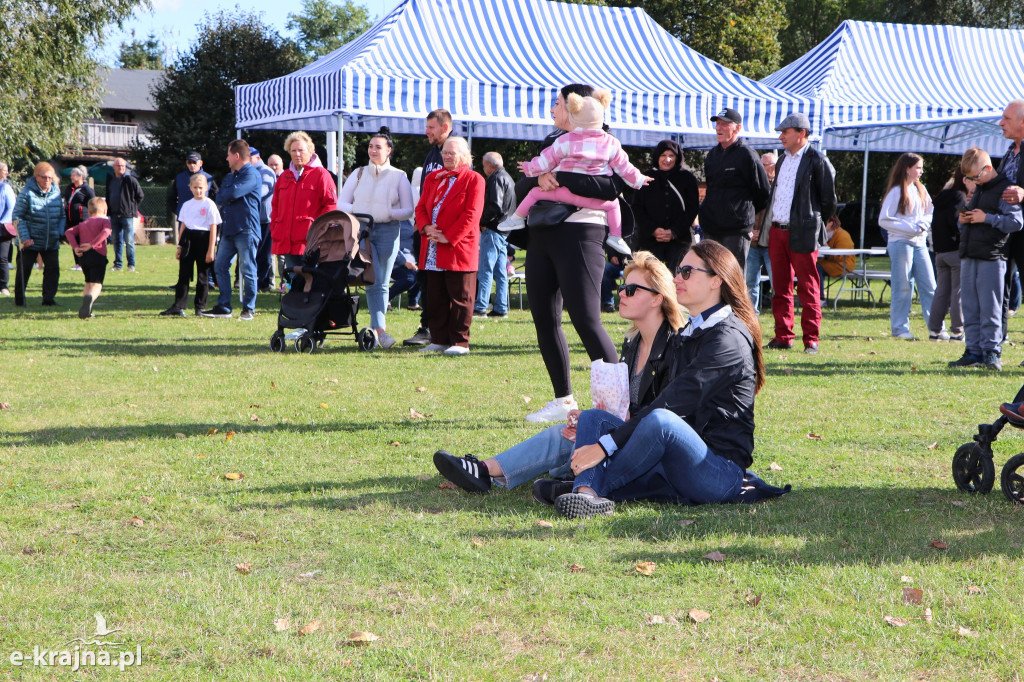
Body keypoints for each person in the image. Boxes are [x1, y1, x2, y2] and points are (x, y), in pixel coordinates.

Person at [551, 241, 787, 518]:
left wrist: (604, 446)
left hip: (718, 474)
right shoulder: (691, 331)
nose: (676, 278)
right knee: (594, 419)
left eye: (687, 272)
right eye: (678, 271)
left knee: (661, 421)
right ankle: (587, 495)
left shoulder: (728, 339)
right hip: (679, 459)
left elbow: (674, 403)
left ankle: (584, 485)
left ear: (716, 281)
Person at [432, 251, 684, 496]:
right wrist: (586, 418)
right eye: (622, 287)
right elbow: (623, 407)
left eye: (631, 290)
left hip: (648, 447)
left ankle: (492, 472)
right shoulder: (633, 343)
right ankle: (489, 471)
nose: (621, 294)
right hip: (624, 437)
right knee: (566, 433)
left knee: (564, 442)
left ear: (657, 299)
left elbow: (666, 416)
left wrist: (601, 423)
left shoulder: (676, 347)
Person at [520, 84, 623, 423]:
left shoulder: (604, 141)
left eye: (558, 103)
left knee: (586, 320)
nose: (553, 109)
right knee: (545, 320)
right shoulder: (552, 142)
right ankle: (563, 399)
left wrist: (558, 176)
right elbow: (522, 184)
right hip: (543, 234)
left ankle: (620, 404)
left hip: (582, 233)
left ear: (576, 106)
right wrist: (540, 180)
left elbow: (612, 188)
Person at [499, 90, 650, 255]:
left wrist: (531, 168)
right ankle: (616, 236)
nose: (552, 110)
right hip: (592, 204)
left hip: (565, 199)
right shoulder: (610, 143)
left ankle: (516, 219)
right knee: (614, 205)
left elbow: (545, 161)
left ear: (573, 113)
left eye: (557, 104)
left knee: (535, 193)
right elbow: (625, 168)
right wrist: (639, 179)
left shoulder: (564, 141)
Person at [760, 113, 836, 355]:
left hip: (803, 232)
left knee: (808, 286)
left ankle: (811, 339)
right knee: (779, 286)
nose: (781, 136)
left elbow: (829, 202)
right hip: (777, 230)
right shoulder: (782, 160)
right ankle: (783, 335)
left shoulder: (817, 160)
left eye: (786, 132)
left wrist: (811, 224)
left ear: (801, 133)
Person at [338, 126, 414, 348]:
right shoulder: (359, 172)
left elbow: (409, 210)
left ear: (388, 150)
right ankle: (378, 329)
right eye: (370, 146)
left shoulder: (399, 176)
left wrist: (387, 213)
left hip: (389, 231)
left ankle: (379, 328)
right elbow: (341, 202)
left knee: (381, 280)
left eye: (378, 147)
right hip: (363, 231)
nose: (373, 150)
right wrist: (361, 209)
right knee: (371, 277)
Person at [948, 148, 1023, 371]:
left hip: (993, 255)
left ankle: (992, 351)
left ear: (988, 169)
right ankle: (973, 351)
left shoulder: (1005, 189)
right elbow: (967, 221)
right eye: (968, 179)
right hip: (969, 252)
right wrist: (964, 218)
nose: (972, 182)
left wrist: (985, 218)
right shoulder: (979, 189)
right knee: (970, 306)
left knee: (990, 307)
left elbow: (1016, 222)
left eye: (975, 177)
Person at [414, 136, 484, 355]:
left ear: (464, 156)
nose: (446, 156)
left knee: (461, 297)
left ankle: (460, 342)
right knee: (435, 296)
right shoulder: (433, 177)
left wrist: (449, 237)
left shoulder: (474, 179)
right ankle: (438, 339)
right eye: (445, 152)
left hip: (458, 247)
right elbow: (420, 208)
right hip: (433, 246)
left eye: (452, 153)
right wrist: (426, 228)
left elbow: (472, 214)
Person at [698, 108, 771, 271]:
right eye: (717, 124)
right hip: (712, 228)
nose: (719, 128)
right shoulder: (712, 156)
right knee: (711, 274)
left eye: (724, 124)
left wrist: (742, 212)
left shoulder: (747, 155)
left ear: (737, 128)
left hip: (736, 230)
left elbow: (764, 193)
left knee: (733, 277)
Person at [404, 109, 453, 346]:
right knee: (425, 279)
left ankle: (440, 329)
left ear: (445, 128)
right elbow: (424, 194)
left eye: (431, 127)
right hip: (425, 229)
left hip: (444, 233)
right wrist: (420, 224)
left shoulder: (454, 152)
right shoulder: (433, 152)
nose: (426, 131)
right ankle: (427, 327)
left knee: (443, 282)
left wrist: (440, 228)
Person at [878, 153, 936, 340]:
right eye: (918, 167)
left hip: (920, 243)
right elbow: (884, 220)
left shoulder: (921, 189)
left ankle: (936, 327)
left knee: (929, 285)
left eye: (921, 167)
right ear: (907, 168)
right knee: (903, 285)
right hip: (900, 243)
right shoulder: (896, 191)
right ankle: (900, 329)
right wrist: (910, 227)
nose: (921, 171)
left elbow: (929, 211)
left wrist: (924, 225)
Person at [203, 140, 262, 320]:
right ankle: (224, 306)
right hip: (229, 228)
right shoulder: (231, 176)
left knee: (247, 268)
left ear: (236, 156)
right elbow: (220, 197)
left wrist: (229, 194)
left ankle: (248, 309)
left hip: (246, 228)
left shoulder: (252, 174)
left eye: (228, 155)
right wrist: (229, 194)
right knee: (220, 266)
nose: (226, 158)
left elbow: (232, 194)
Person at [270, 131, 338, 287]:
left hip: (311, 241)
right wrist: (275, 227)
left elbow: (331, 205)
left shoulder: (321, 174)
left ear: (310, 151)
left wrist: (320, 231)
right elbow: (275, 206)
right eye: (293, 150)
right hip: (288, 240)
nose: (297, 154)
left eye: (301, 150)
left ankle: (312, 310)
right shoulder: (284, 177)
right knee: (294, 282)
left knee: (312, 282)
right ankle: (297, 310)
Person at [631, 139, 699, 272]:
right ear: (657, 157)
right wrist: (653, 230)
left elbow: (692, 208)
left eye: (671, 155)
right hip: (650, 241)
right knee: (651, 278)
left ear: (677, 157)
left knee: (676, 279)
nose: (667, 159)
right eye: (663, 155)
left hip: (679, 241)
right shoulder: (646, 177)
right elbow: (637, 207)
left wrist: (674, 232)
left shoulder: (687, 178)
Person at [160, 174, 221, 317]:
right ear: (190, 188)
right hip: (188, 238)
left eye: (201, 188)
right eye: (195, 188)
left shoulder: (209, 204)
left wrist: (211, 250)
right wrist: (179, 247)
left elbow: (213, 227)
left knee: (202, 276)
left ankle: (200, 307)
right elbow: (183, 226)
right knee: (184, 274)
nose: (198, 191)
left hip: (204, 238)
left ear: (206, 188)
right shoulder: (187, 205)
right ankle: (178, 306)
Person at [12, 162, 65, 307]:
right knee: (24, 270)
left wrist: (60, 232)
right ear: (36, 177)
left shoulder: (56, 192)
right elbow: (18, 217)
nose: (47, 180)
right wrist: (25, 237)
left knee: (53, 270)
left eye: (50, 177)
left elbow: (62, 215)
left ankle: (48, 299)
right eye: (44, 177)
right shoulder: (27, 192)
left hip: (51, 240)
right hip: (30, 240)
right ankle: (20, 299)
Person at [929, 169, 971, 342]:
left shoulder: (941, 197)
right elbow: (957, 222)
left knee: (941, 291)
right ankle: (957, 331)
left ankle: (934, 330)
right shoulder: (959, 198)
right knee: (957, 292)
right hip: (954, 250)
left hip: (940, 251)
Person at [473, 151, 517, 319]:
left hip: (493, 229)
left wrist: (482, 221)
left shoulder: (496, 178)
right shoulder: (508, 178)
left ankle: (480, 307)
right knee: (500, 272)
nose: (483, 169)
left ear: (490, 166)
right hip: (504, 230)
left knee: (485, 269)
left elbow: (494, 206)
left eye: (484, 166)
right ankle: (500, 308)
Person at [64, 197, 111, 319]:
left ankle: (88, 311)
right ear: (105, 211)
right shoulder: (104, 221)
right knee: (97, 284)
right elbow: (106, 231)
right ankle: (89, 299)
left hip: (83, 257)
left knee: (88, 282)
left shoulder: (83, 223)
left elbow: (69, 232)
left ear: (89, 212)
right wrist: (92, 244)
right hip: (98, 255)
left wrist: (75, 247)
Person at [746, 152, 776, 310]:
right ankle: (751, 316)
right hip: (752, 242)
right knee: (750, 282)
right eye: (761, 165)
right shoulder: (752, 186)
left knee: (776, 282)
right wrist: (750, 231)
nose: (762, 169)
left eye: (765, 165)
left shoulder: (780, 187)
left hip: (772, 243)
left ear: (773, 167)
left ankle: (780, 316)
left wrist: (765, 232)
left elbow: (779, 216)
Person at [105, 158, 144, 272]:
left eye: (123, 166)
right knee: (116, 241)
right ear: (114, 167)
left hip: (127, 215)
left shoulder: (130, 180)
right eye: (119, 166)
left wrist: (132, 207)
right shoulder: (111, 180)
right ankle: (118, 265)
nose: (121, 168)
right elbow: (108, 195)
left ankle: (131, 265)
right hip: (114, 214)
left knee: (129, 241)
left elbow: (140, 195)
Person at [249, 147, 277, 292]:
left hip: (266, 219)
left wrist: (245, 198)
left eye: (249, 158)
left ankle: (264, 282)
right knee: (254, 252)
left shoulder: (266, 172)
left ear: (257, 158)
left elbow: (264, 191)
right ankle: (256, 281)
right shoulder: (248, 171)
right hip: (253, 218)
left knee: (265, 253)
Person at [167, 151, 218, 221]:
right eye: (189, 162)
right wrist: (178, 212)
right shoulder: (180, 178)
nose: (192, 165)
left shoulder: (209, 178)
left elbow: (217, 197)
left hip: (203, 219)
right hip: (185, 220)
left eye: (194, 162)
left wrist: (210, 212)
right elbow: (171, 198)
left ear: (200, 163)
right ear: (186, 163)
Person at [64, 165, 96, 271]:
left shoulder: (87, 189)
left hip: (82, 220)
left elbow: (93, 203)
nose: (72, 177)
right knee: (74, 242)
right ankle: (77, 263)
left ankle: (84, 263)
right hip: (70, 219)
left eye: (74, 175)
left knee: (82, 241)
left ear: (81, 176)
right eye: (71, 175)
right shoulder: (69, 188)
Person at [816, 214, 855, 296]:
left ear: (831, 223)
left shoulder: (842, 235)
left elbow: (841, 255)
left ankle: (820, 297)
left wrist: (827, 248)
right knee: (809, 266)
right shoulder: (827, 235)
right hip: (829, 263)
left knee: (816, 268)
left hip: (843, 264)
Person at [0, 161, 18, 296]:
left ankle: (3, 285)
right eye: (4, 170)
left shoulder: (5, 188)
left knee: (2, 258)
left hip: (2, 229)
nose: (6, 173)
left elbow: (11, 207)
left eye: (7, 170)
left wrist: (2, 222)